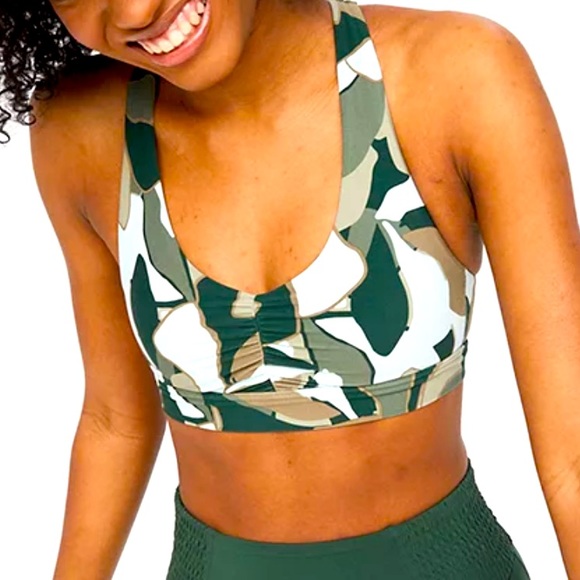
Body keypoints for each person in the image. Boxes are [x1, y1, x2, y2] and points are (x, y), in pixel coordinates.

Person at [1, 0, 579, 577]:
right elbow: (116, 420)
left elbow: (572, 455)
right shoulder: (81, 129)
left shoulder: (459, 74)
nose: (134, 10)